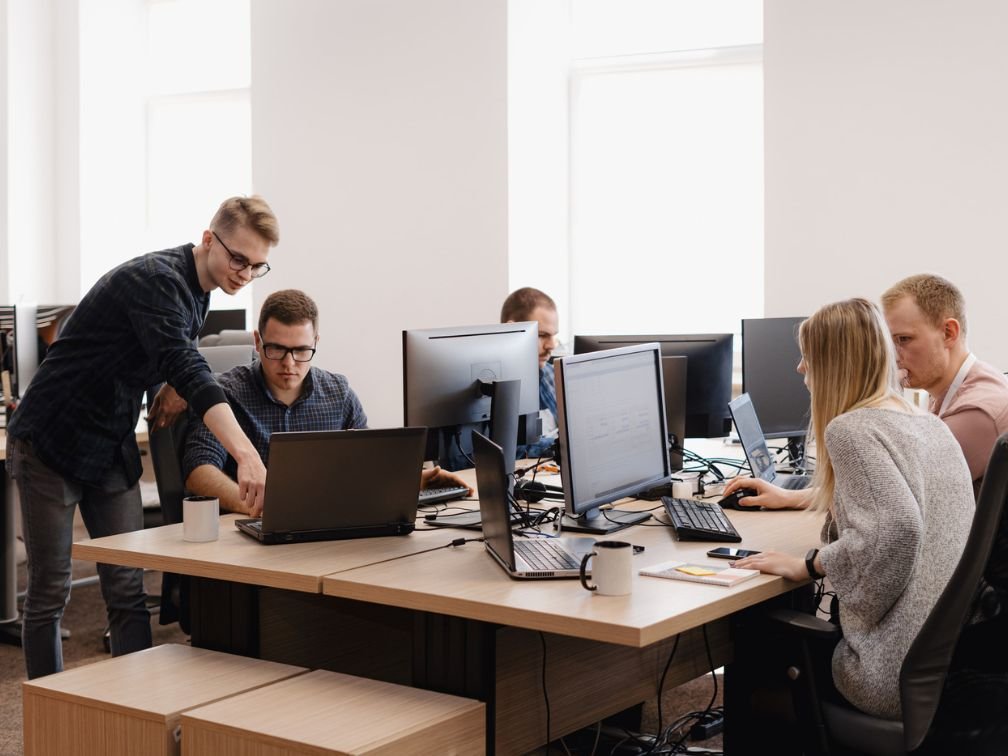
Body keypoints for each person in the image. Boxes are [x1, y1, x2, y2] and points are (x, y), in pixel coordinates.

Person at [7, 196, 280, 678]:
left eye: (257, 266)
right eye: (238, 258)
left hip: (109, 444)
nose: (244, 273)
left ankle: (137, 712)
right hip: (51, 439)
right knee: (51, 590)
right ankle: (46, 709)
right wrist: (246, 454)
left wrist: (171, 383)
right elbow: (188, 364)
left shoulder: (201, 287)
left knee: (128, 585)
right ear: (208, 239)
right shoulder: (156, 279)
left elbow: (166, 348)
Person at [733, 298, 974, 719]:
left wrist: (810, 566)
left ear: (831, 363)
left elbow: (897, 530)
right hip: (952, 668)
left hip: (889, 674)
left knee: (752, 636)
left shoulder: (851, 429)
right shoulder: (927, 422)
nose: (800, 368)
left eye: (807, 357)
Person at [183, 289, 470, 512]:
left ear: (316, 343)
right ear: (257, 342)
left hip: (328, 530)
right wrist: (254, 505)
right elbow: (199, 472)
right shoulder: (225, 395)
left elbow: (368, 467)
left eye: (301, 350)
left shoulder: (338, 393)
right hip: (254, 535)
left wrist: (416, 481)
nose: (289, 363)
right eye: (276, 349)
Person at [881, 274, 1008, 497]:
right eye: (888, 342)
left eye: (903, 340)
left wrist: (882, 397)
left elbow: (892, 496)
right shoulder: (945, 392)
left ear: (949, 333)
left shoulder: (977, 412)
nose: (893, 355)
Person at [500, 287, 560, 459]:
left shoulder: (550, 374)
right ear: (511, 331)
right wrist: (561, 446)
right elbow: (506, 450)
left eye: (553, 336)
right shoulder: (487, 388)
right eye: (542, 335)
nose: (552, 345)